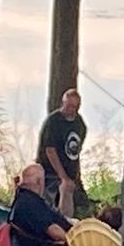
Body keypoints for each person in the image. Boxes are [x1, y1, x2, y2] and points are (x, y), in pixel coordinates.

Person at [37, 89, 88, 217]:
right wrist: (63, 176)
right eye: (69, 105)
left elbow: (76, 150)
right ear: (63, 103)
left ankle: (65, 225)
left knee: (67, 196)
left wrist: (71, 176)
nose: (71, 109)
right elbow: (50, 150)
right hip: (50, 171)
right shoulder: (53, 122)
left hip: (69, 172)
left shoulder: (79, 123)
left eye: (75, 106)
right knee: (46, 203)